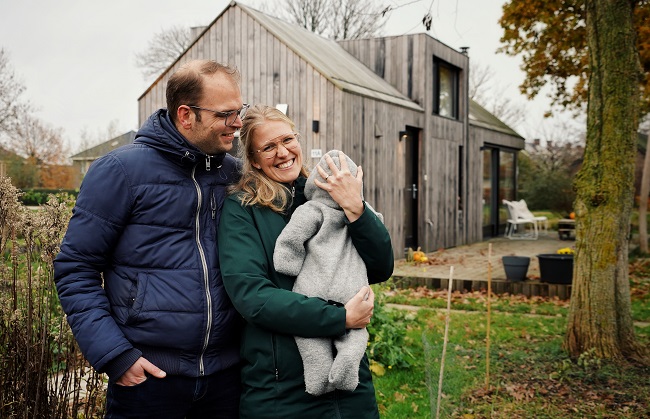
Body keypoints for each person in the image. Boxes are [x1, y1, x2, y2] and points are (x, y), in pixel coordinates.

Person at [53, 59, 247, 418]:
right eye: (226, 114)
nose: (237, 123)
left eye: (240, 111)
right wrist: (116, 355)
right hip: (149, 382)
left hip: (227, 381)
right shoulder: (121, 171)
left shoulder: (236, 175)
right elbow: (75, 269)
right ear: (186, 115)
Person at [218, 105, 394, 418]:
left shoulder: (330, 192)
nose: (283, 152)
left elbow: (381, 268)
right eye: (269, 147)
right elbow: (252, 296)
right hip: (282, 390)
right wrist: (340, 319)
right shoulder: (242, 210)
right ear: (254, 159)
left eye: (288, 140)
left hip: (351, 385)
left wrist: (357, 209)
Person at [272, 150, 382, 396]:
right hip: (353, 290)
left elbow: (291, 240)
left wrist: (288, 265)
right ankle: (348, 363)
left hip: (314, 287)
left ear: (315, 184)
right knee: (355, 334)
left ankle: (318, 373)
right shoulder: (360, 211)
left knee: (308, 336)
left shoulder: (313, 209)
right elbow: (378, 227)